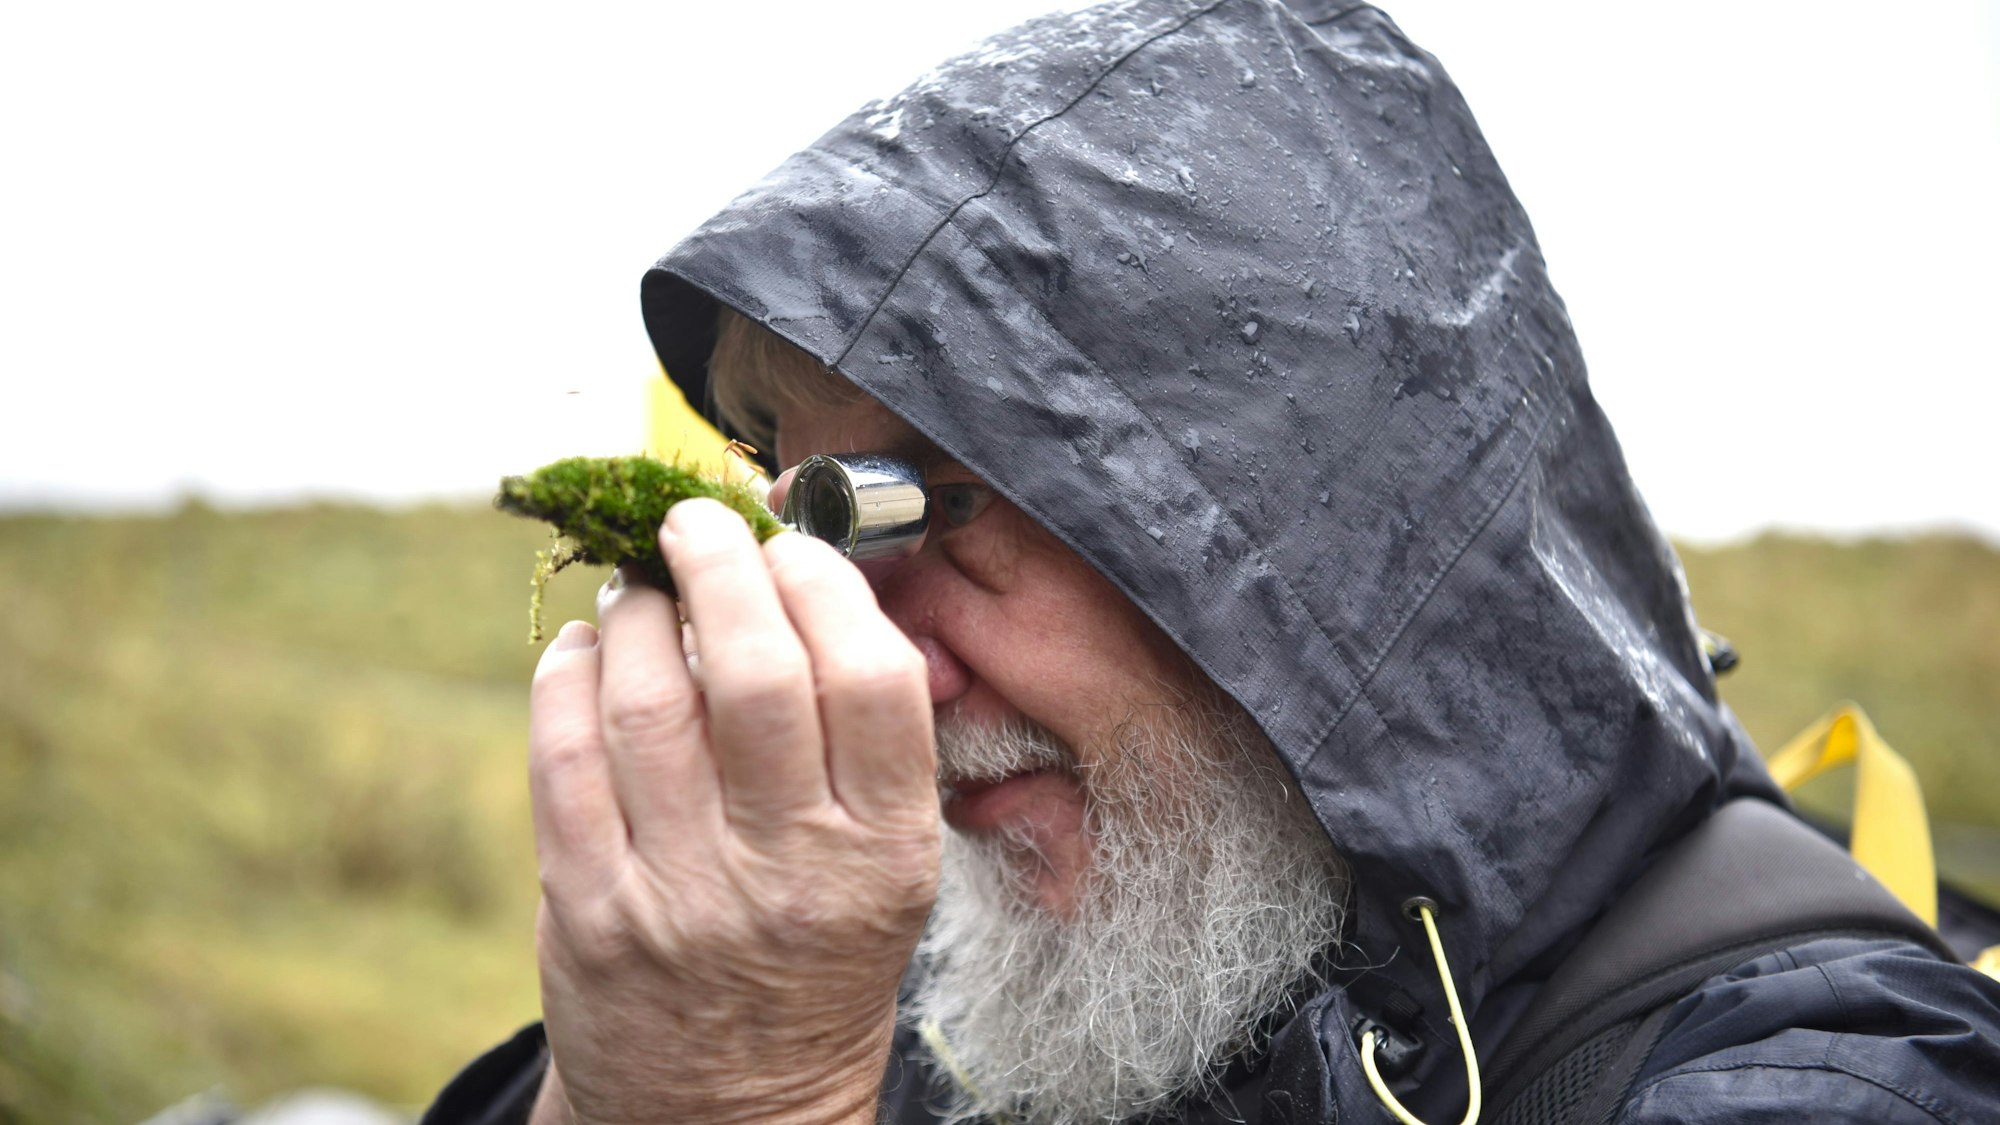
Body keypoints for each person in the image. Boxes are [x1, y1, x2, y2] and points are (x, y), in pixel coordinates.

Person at [426, 2, 2000, 1122]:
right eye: (817, 509)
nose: (884, 660)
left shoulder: (1830, 1083)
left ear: (1305, 526)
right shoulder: (993, 985)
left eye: (950, 499)